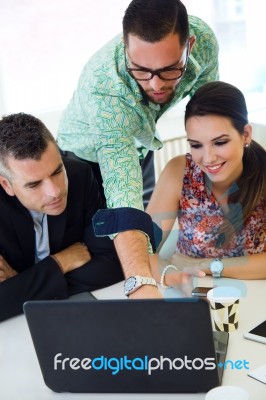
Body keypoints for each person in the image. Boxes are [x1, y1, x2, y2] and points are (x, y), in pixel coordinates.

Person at [57, 0, 219, 298]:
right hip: (83, 161)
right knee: (104, 264)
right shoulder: (103, 86)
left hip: (141, 144)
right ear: (125, 45)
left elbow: (209, 113)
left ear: (190, 45)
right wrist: (140, 283)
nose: (155, 85)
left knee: (147, 240)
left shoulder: (205, 41)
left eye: (170, 70)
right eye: (141, 70)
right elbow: (123, 192)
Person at [0, 113, 124, 322]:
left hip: (78, 312)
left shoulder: (80, 175)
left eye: (57, 171)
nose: (55, 191)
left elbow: (111, 265)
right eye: (34, 184)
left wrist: (22, 285)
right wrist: (60, 262)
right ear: (6, 185)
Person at [146, 81, 266, 288]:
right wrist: (172, 276)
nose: (208, 158)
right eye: (196, 145)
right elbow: (142, 249)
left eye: (220, 142)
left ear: (245, 134)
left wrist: (207, 265)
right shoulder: (179, 171)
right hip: (192, 293)